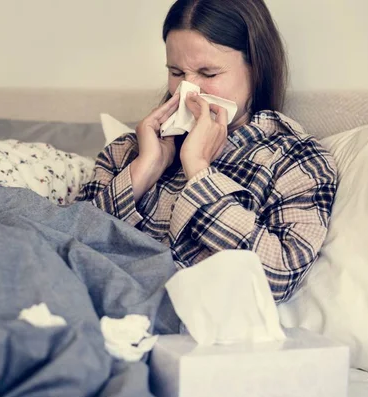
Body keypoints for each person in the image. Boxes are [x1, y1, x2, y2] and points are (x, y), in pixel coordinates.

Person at [77, 0, 337, 303]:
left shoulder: (296, 161)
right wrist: (145, 170)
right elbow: (65, 243)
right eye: (176, 72)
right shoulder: (127, 151)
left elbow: (277, 279)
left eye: (208, 73)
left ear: (256, 68)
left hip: (163, 321)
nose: (188, 91)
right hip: (75, 297)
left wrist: (199, 171)